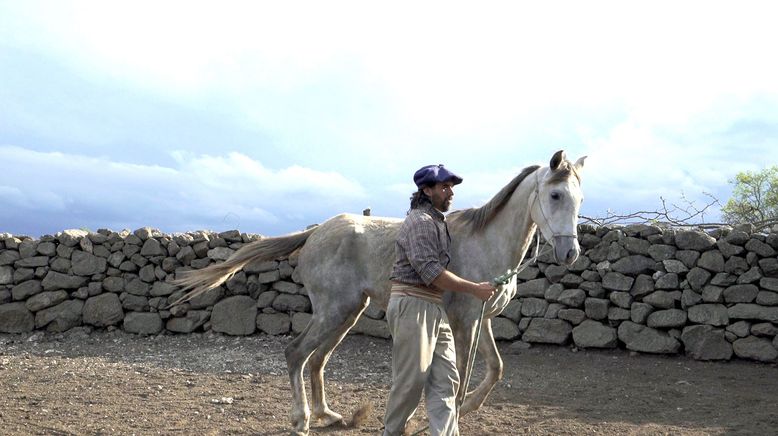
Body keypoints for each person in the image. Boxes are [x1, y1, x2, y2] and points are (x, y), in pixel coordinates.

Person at [383, 164, 496, 436]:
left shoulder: (436, 222)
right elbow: (431, 272)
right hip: (413, 305)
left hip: (432, 307)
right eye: (444, 187)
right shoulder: (420, 222)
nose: (450, 193)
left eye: (451, 188)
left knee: (447, 381)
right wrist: (474, 288)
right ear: (426, 190)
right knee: (410, 383)